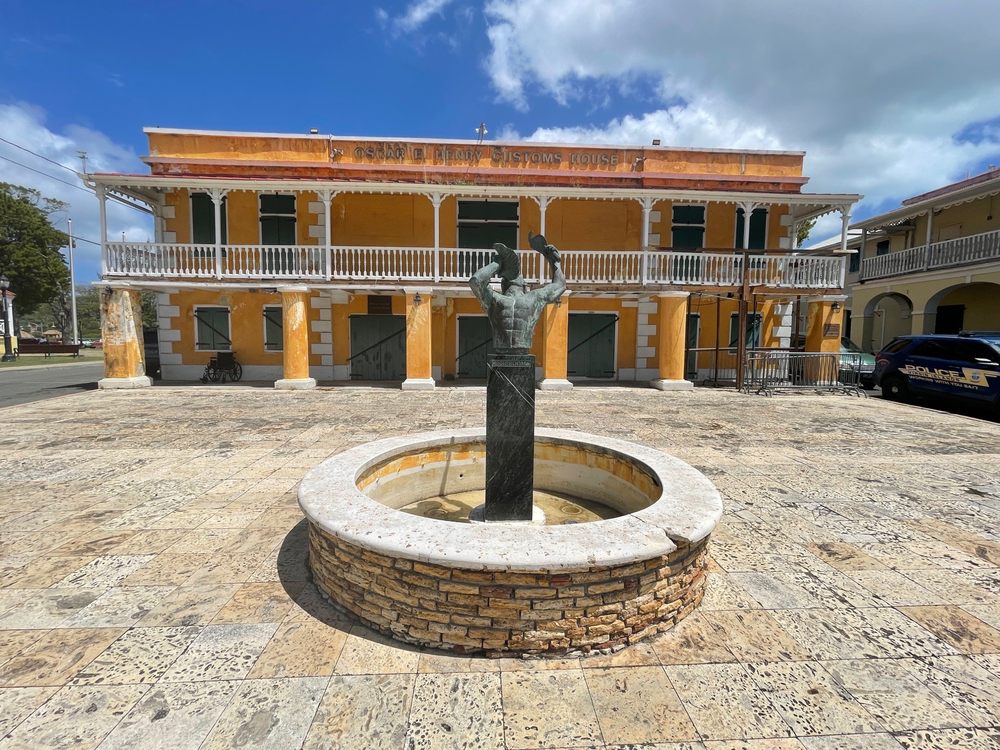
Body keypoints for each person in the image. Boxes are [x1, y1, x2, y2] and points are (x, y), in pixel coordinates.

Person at [468, 231, 566, 352]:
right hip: (523, 353)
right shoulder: (534, 298)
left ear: (503, 285)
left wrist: (496, 264)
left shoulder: (495, 299)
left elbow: (475, 281)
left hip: (500, 353)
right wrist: (554, 262)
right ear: (524, 286)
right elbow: (560, 285)